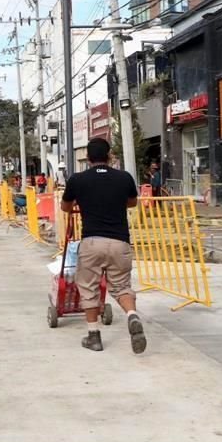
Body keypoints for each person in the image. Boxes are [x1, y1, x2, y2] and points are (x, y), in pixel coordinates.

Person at [61, 138, 147, 354]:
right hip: (119, 242)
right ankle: (132, 316)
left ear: (88, 158)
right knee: (121, 286)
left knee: (89, 287)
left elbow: (65, 207)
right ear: (109, 157)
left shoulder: (77, 180)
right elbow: (132, 202)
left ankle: (94, 337)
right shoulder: (124, 177)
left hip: (91, 242)